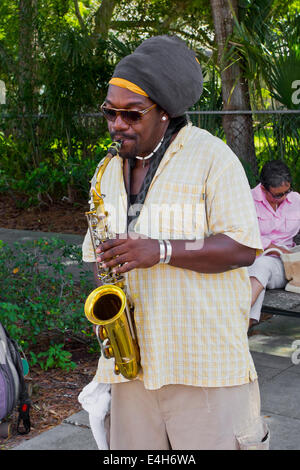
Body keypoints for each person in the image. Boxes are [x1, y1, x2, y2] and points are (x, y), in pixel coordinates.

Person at [82, 35, 268, 450]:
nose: (117, 124)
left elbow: (242, 247)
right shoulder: (106, 171)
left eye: (131, 115)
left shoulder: (213, 158)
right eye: (110, 112)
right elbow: (98, 254)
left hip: (203, 365)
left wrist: (160, 250)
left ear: (164, 113)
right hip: (132, 367)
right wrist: (107, 277)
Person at [248, 160, 300, 328]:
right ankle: (241, 323)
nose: (283, 198)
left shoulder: (296, 200)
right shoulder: (247, 200)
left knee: (261, 269)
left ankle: (234, 323)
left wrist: (284, 251)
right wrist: (273, 247)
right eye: (277, 195)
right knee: (260, 268)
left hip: (287, 265)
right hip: (254, 260)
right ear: (263, 188)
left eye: (287, 191)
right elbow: (244, 234)